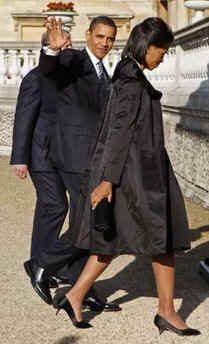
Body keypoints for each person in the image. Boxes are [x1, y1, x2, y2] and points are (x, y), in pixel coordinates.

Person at [50, 17, 201, 336]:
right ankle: (166, 311)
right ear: (148, 46)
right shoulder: (131, 82)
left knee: (114, 240)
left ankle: (76, 296)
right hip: (137, 177)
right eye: (162, 50)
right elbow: (118, 133)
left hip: (135, 173)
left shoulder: (127, 75)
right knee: (162, 240)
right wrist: (107, 181)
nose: (163, 56)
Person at [11, 28, 120, 312]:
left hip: (68, 151)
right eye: (62, 44)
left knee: (69, 210)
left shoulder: (76, 71)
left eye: (69, 43)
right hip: (42, 153)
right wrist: (19, 157)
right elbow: (24, 116)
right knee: (55, 205)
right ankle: (42, 264)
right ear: (49, 47)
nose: (68, 48)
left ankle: (55, 269)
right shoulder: (38, 75)